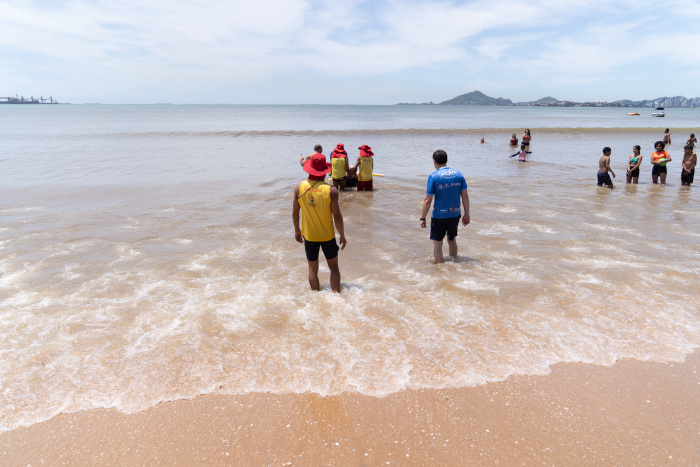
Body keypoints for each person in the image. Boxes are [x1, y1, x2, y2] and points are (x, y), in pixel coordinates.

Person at [293, 153, 347, 292]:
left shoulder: (299, 188)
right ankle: (336, 298)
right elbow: (337, 216)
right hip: (327, 236)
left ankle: (315, 298)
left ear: (309, 169)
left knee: (312, 268)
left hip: (309, 236)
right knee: (334, 268)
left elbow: (295, 213)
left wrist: (297, 230)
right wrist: (342, 235)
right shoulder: (331, 191)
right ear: (324, 171)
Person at [420, 150, 470, 264]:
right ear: (446, 161)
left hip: (439, 215)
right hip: (455, 214)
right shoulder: (459, 174)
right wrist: (467, 214)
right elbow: (465, 196)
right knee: (452, 240)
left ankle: (440, 270)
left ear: (434, 161)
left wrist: (423, 217)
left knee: (438, 242)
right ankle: (454, 263)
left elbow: (428, 200)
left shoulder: (433, 177)